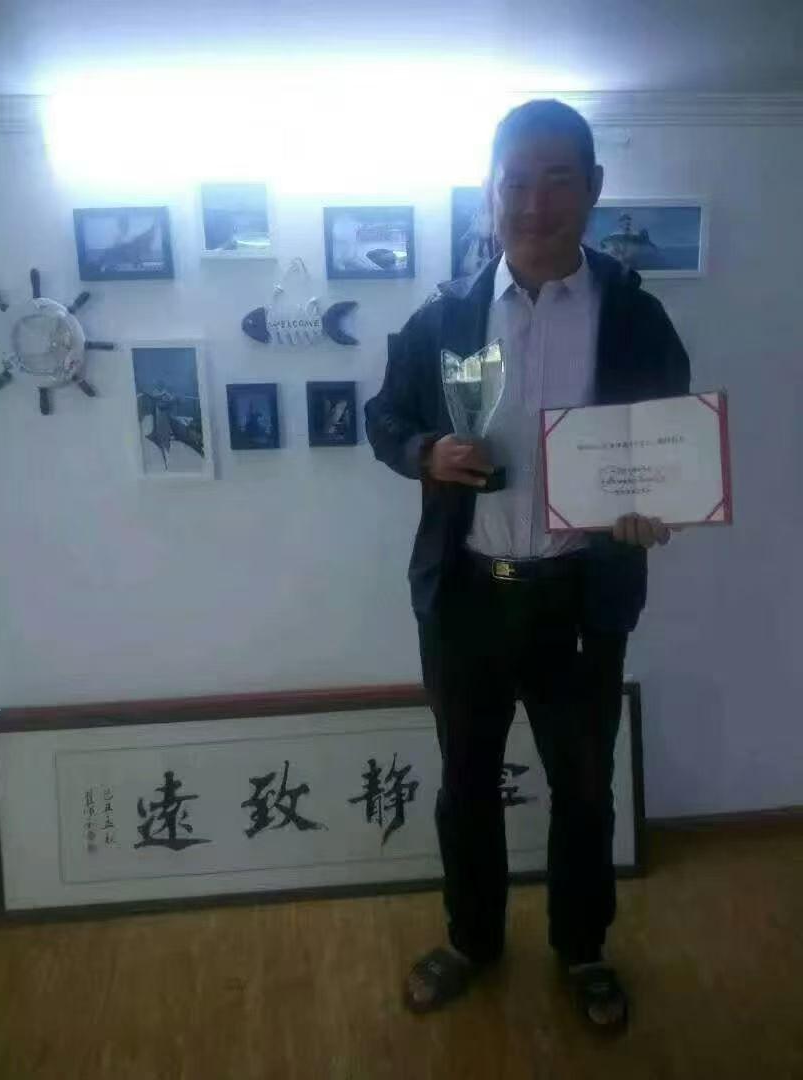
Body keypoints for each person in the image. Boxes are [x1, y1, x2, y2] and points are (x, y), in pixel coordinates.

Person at [365, 99, 690, 1032]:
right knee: (464, 784)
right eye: (516, 182)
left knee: (584, 789)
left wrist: (652, 507)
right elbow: (385, 419)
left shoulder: (634, 318)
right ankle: (472, 940)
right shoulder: (447, 316)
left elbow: (668, 446)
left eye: (558, 181)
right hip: (467, 596)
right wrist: (426, 451)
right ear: (489, 191)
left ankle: (583, 949)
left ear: (593, 190)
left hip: (580, 599)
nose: (535, 203)